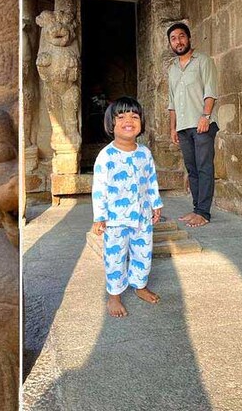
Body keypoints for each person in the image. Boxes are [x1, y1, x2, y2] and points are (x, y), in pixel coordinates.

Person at [92, 97, 163, 318]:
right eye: (120, 117)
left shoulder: (145, 154)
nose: (128, 121)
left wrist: (156, 204)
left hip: (141, 217)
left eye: (134, 116)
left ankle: (139, 285)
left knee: (143, 254)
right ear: (111, 124)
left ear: (141, 122)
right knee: (115, 257)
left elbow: (151, 180)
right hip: (115, 221)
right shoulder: (106, 156)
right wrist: (100, 217)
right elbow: (99, 188)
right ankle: (114, 295)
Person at [166, 21, 218, 228]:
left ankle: (204, 212)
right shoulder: (172, 69)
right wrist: (172, 127)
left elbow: (210, 91)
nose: (178, 41)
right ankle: (197, 208)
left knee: (204, 167)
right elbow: (172, 102)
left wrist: (205, 116)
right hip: (183, 127)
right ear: (170, 44)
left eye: (181, 36)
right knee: (192, 168)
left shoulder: (203, 61)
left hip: (202, 124)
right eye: (173, 39)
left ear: (188, 38)